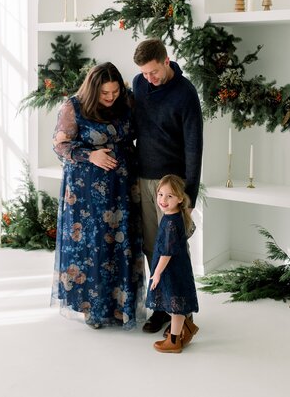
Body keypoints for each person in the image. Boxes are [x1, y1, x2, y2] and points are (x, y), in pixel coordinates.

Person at [51, 62, 145, 329]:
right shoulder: (74, 107)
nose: (110, 97)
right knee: (94, 248)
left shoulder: (126, 101)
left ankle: (119, 307)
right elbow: (60, 145)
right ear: (93, 90)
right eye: (105, 93)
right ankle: (92, 307)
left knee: (120, 245)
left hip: (123, 188)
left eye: (115, 91)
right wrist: (90, 155)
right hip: (87, 193)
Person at [133, 38, 203, 333]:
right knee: (152, 246)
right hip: (144, 179)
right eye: (144, 73)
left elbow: (194, 147)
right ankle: (162, 307)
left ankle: (183, 312)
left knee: (174, 248)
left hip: (172, 186)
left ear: (166, 60)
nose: (149, 78)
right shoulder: (138, 84)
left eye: (153, 72)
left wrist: (190, 195)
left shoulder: (185, 94)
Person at [146, 174, 199, 353]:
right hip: (176, 268)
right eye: (161, 194)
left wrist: (158, 272)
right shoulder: (172, 216)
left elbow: (167, 252)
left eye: (170, 196)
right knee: (174, 303)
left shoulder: (171, 223)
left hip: (172, 269)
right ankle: (187, 330)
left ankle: (174, 341)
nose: (163, 200)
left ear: (180, 198)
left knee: (175, 306)